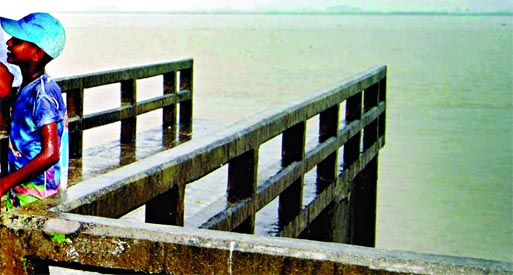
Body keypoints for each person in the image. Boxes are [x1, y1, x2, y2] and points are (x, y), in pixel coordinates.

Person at [0, 12, 68, 210]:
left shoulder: (43, 94)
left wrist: (5, 183)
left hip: (39, 196)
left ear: (37, 54)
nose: (9, 42)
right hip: (22, 192)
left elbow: (51, 153)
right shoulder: (28, 86)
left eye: (18, 40)